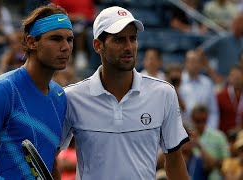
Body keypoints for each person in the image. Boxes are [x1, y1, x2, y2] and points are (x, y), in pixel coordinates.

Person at [60, 6, 189, 180]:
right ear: (98, 45)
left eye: (133, 39)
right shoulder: (71, 97)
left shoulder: (164, 93)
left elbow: (174, 161)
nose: (129, 47)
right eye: (119, 40)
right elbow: (49, 156)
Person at [0, 3, 73, 180]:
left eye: (69, 39)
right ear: (32, 42)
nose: (65, 47)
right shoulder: (2, 90)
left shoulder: (60, 96)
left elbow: (49, 161)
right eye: (56, 39)